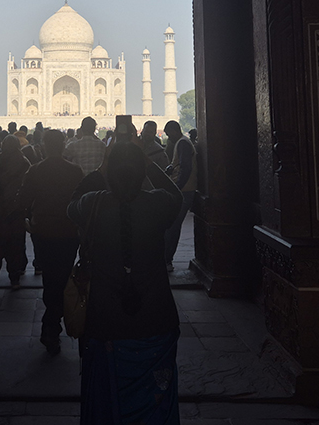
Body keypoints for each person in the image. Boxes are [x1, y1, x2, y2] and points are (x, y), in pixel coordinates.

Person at [67, 143, 182, 425]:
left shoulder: (93, 202)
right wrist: (150, 164)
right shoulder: (157, 204)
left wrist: (101, 169)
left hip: (105, 320)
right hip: (155, 318)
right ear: (141, 171)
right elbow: (177, 197)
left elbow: (70, 206)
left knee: (107, 401)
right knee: (156, 399)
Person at [17, 129, 84, 354]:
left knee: (50, 279)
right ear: (64, 145)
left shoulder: (36, 170)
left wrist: (27, 220)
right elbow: (81, 202)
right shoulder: (75, 171)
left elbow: (24, 200)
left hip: (43, 231)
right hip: (68, 231)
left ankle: (51, 327)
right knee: (63, 277)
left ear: (44, 145)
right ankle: (54, 325)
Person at [0, 135, 31, 296]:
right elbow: (28, 186)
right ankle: (15, 279)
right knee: (15, 246)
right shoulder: (23, 162)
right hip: (15, 211)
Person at [162, 120, 197, 272]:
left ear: (174, 131)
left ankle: (167, 260)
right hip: (185, 189)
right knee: (172, 225)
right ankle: (166, 259)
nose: (168, 138)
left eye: (169, 134)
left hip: (184, 190)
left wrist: (177, 188)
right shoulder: (183, 142)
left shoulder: (182, 143)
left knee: (173, 225)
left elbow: (186, 167)